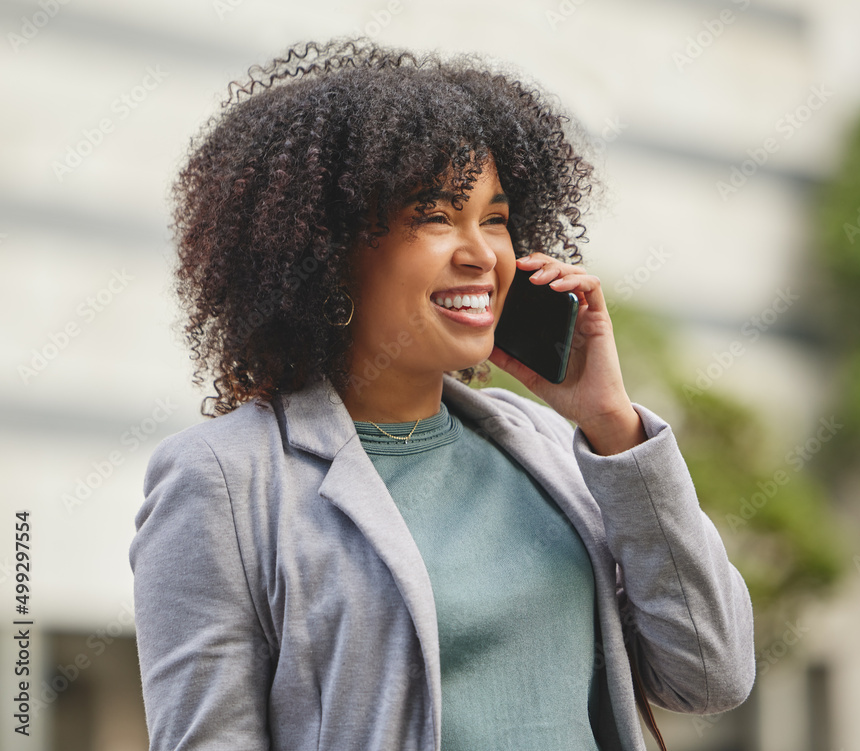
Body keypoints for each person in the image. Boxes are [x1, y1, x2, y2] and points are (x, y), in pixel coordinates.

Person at [129, 37, 755, 751]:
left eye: (493, 217)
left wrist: (611, 424)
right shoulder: (222, 481)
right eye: (435, 215)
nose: (482, 253)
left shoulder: (552, 448)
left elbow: (711, 674)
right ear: (324, 251)